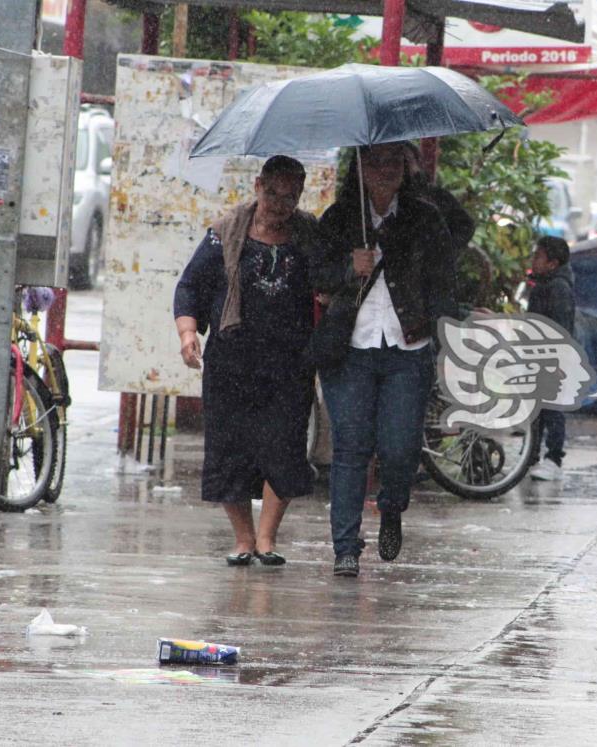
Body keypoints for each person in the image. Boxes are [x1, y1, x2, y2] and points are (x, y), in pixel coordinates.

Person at [314, 142, 458, 578]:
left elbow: (445, 279)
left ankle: (392, 507)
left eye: (393, 161)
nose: (384, 170)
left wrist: (434, 322)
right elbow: (316, 275)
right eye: (374, 161)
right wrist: (348, 268)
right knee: (351, 448)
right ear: (357, 167)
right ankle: (345, 547)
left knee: (399, 449)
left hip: (406, 349)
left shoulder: (423, 217)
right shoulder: (339, 218)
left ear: (404, 167)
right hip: (350, 350)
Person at [173, 155, 319, 567]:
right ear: (257, 185)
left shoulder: (309, 234)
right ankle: (243, 538)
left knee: (284, 446)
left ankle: (268, 538)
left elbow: (331, 279)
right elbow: (190, 287)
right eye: (272, 192)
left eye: (289, 196)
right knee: (228, 448)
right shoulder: (226, 231)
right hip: (232, 359)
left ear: (299, 196)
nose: (279, 203)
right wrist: (188, 334)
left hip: (289, 362)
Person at [527, 235, 576, 481]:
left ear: (552, 264)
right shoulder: (544, 285)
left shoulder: (558, 289)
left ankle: (553, 458)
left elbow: (558, 328)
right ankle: (531, 456)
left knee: (551, 410)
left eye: (538, 257)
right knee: (537, 411)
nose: (533, 261)